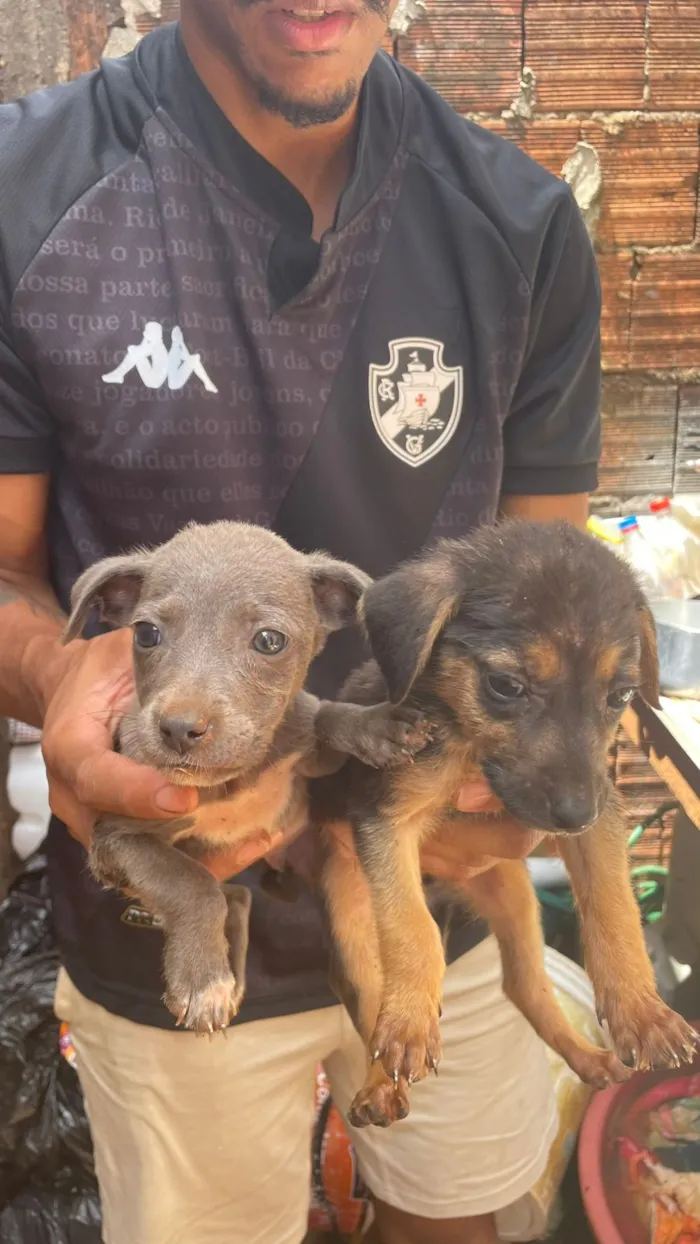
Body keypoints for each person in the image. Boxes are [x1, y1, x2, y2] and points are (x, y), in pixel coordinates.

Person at [0, 0, 601, 1239]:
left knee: (459, 1216)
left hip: (435, 886)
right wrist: (61, 672)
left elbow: (555, 587)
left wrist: (509, 787)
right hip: (176, 904)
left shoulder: (521, 224)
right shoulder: (28, 194)